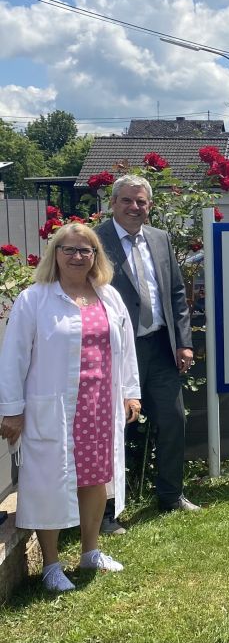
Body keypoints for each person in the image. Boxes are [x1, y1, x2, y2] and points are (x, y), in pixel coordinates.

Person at [0, 223, 141, 591]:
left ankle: (90, 551)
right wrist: (12, 409)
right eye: (69, 249)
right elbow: (13, 357)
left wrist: (131, 392)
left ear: (96, 256)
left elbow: (125, 350)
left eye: (86, 250)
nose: (77, 257)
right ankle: (51, 565)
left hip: (98, 406)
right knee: (49, 481)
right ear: (55, 254)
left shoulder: (108, 296)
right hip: (54, 406)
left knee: (95, 479)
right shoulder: (35, 299)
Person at [96, 175, 198, 533]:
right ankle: (106, 513)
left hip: (159, 347)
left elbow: (175, 294)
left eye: (141, 202)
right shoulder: (96, 241)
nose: (134, 207)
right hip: (117, 352)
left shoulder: (160, 238)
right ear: (113, 203)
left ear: (150, 206)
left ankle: (170, 495)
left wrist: (183, 341)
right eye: (127, 201)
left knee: (173, 420)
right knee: (114, 430)